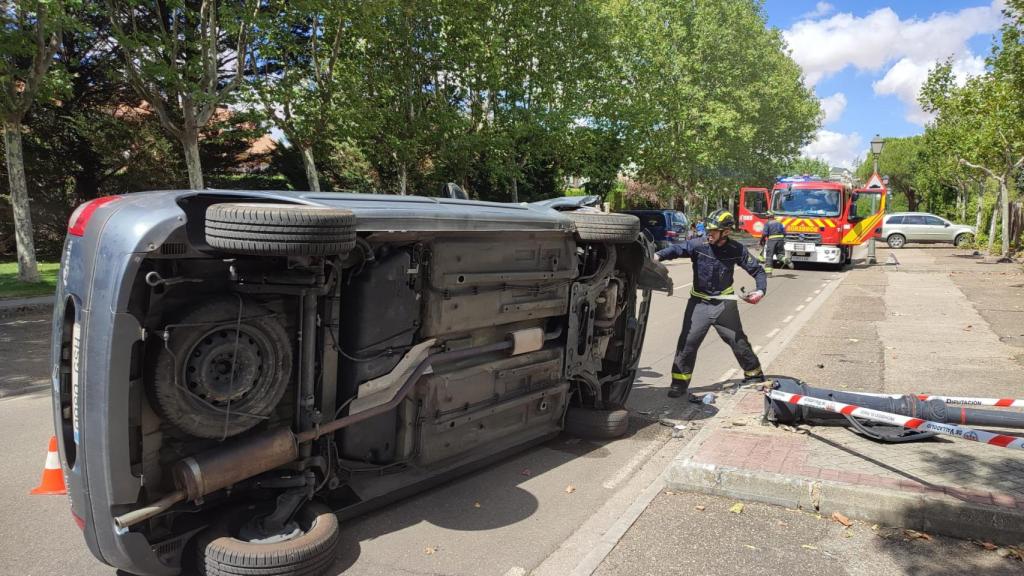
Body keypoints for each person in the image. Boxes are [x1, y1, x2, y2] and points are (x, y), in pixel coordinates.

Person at [652, 209, 767, 401]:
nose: (709, 234)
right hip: (699, 304)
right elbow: (677, 250)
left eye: (713, 231)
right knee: (687, 344)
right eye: (708, 230)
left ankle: (754, 375)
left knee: (737, 341)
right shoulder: (698, 245)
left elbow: (758, 271)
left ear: (726, 232)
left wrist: (760, 291)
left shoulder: (736, 249)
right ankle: (679, 384)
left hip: (724, 306)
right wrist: (656, 256)